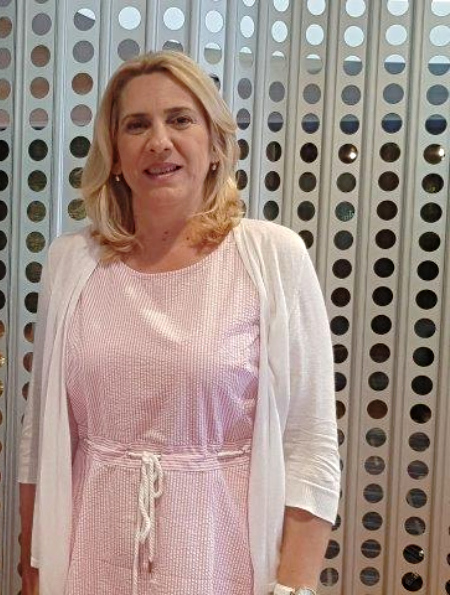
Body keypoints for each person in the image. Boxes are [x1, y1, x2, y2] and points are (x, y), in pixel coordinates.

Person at [18, 51, 340, 595]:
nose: (159, 141)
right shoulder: (72, 261)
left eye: (180, 119)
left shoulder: (271, 256)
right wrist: (33, 570)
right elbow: (42, 438)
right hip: (88, 558)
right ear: (114, 155)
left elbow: (310, 444)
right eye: (136, 125)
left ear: (214, 146)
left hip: (222, 561)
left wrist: (294, 587)